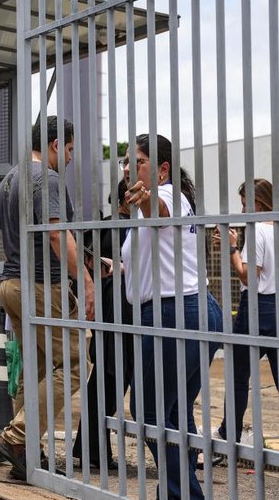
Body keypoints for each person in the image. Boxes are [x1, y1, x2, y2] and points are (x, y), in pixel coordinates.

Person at [0, 116, 95, 480]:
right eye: (69, 149)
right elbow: (54, 234)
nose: (70, 157)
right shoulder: (45, 179)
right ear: (54, 144)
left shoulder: (10, 179)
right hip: (40, 286)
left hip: (12, 284)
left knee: (35, 368)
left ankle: (25, 453)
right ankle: (17, 435)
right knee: (76, 362)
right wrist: (84, 279)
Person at [123, 133, 222, 500]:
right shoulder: (167, 201)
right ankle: (176, 491)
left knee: (149, 412)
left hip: (173, 313)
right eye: (126, 162)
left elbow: (159, 210)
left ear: (162, 169)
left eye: (138, 162)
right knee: (175, 413)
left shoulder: (167, 195)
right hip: (191, 309)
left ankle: (184, 494)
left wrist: (147, 199)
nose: (128, 168)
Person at [72, 178, 134, 470]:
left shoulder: (102, 228)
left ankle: (90, 448)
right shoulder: (129, 228)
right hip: (123, 311)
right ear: (127, 198)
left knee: (106, 378)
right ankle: (92, 449)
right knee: (112, 379)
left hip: (104, 310)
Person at [214, 179, 276, 443]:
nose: (242, 211)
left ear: (257, 204)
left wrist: (232, 248)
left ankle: (230, 435)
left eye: (244, 204)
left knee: (238, 376)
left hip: (256, 307)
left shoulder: (258, 229)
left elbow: (248, 276)